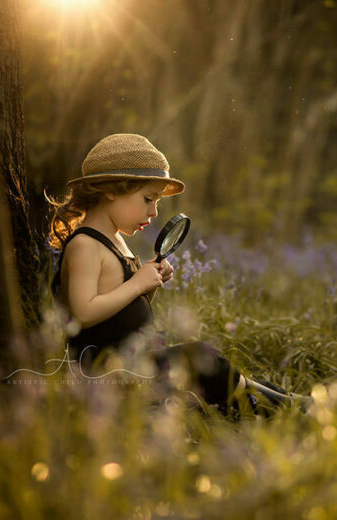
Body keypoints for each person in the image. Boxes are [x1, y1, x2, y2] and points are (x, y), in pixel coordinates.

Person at [45, 133, 308, 417]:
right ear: (112, 190)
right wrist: (136, 284)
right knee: (201, 358)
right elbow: (82, 313)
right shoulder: (85, 245)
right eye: (148, 199)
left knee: (207, 365)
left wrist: (150, 284)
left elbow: (122, 316)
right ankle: (293, 408)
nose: (154, 211)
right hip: (106, 378)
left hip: (134, 365)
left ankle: (289, 403)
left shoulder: (116, 241)